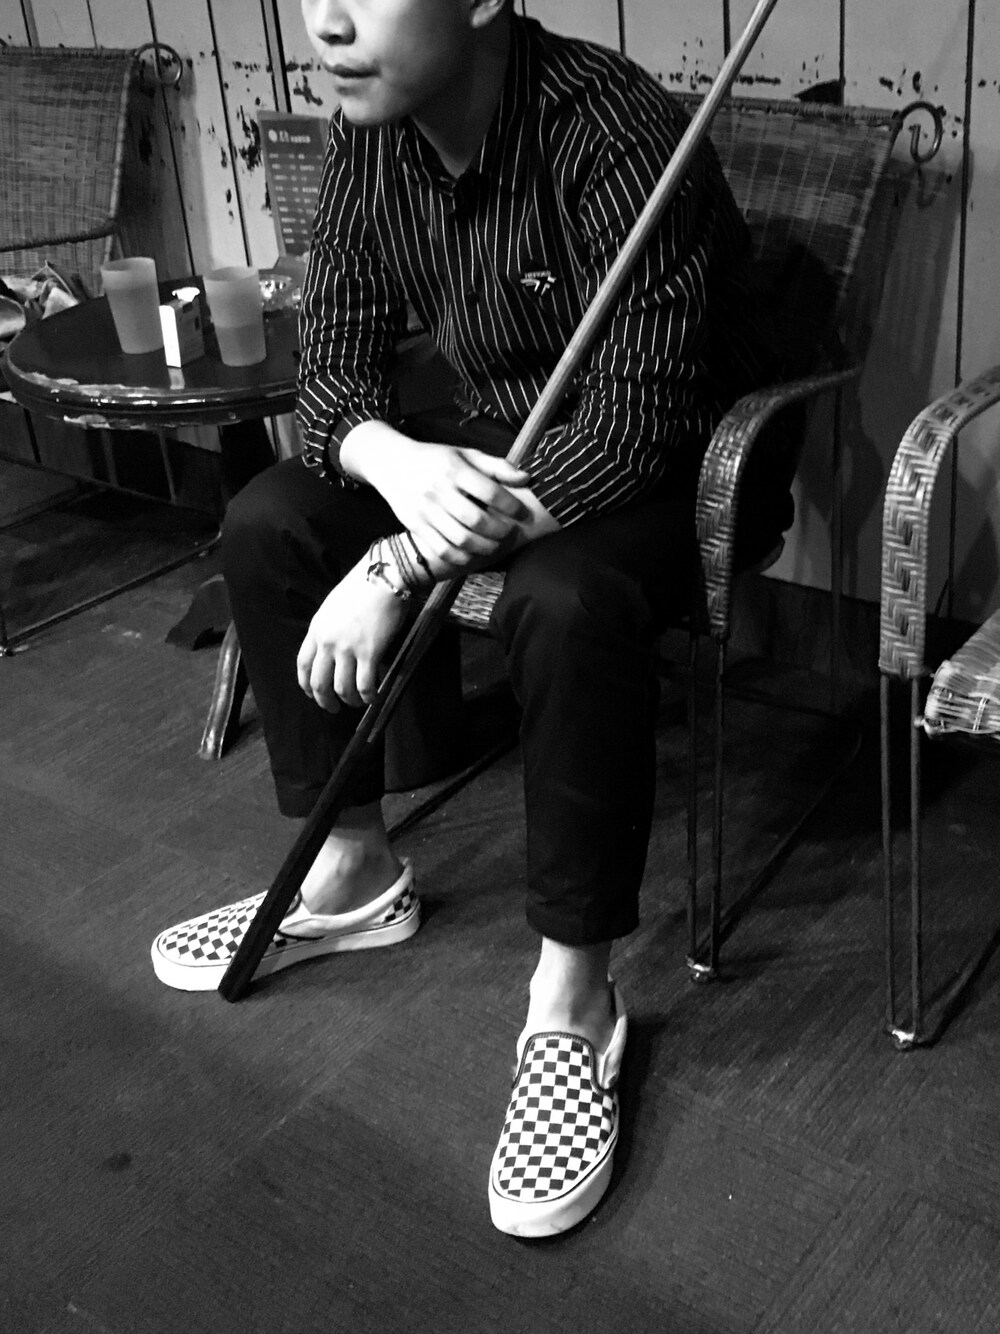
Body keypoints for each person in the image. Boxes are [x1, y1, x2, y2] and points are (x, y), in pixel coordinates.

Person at [150, 0, 790, 1237]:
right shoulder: (371, 132)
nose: (326, 24)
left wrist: (400, 559)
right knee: (272, 520)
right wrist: (392, 461)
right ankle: (354, 868)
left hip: (674, 459)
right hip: (502, 423)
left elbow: (633, 426)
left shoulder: (613, 127)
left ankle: (575, 996)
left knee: (564, 596)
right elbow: (332, 370)